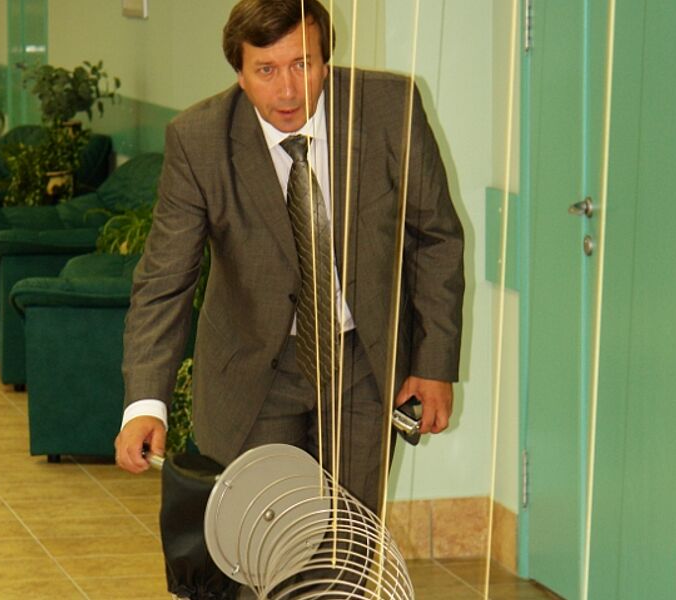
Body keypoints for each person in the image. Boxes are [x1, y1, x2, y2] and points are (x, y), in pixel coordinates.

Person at [115, 0, 463, 520]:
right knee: (262, 539)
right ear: (239, 73)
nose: (288, 91)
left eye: (302, 64)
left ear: (325, 60)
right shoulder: (199, 140)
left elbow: (435, 239)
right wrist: (145, 404)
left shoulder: (389, 110)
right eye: (266, 70)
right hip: (253, 371)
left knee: (350, 541)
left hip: (362, 364)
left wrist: (433, 364)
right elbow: (165, 280)